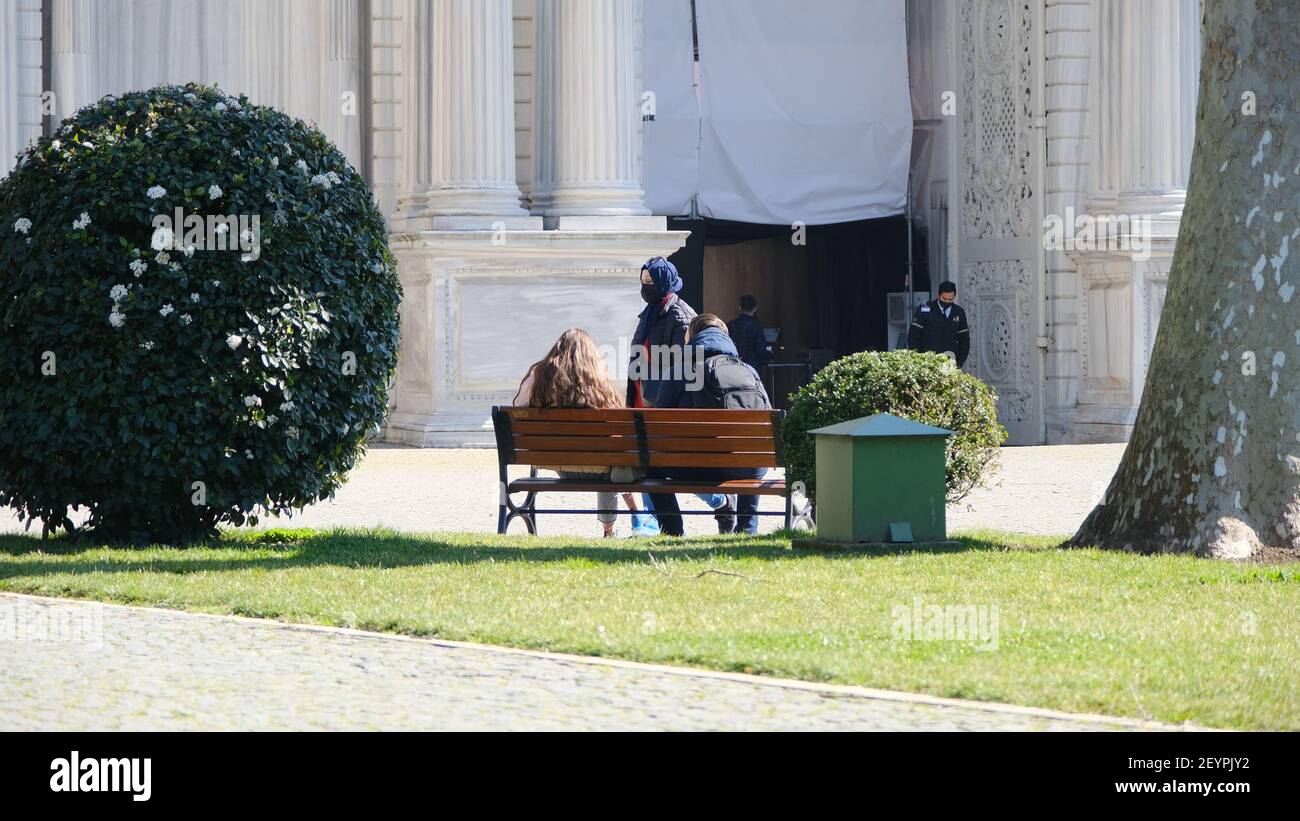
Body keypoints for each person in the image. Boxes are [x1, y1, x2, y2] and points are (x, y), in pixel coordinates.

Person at [647, 314, 773, 537]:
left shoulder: (679, 372)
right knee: (753, 456)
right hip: (747, 466)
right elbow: (768, 421)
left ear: (693, 338)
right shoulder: (749, 371)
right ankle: (746, 529)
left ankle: (673, 531)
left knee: (649, 466)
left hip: (693, 466)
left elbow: (659, 424)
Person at [514, 329, 644, 538]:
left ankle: (622, 523)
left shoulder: (539, 375)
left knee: (609, 458)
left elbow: (518, 409)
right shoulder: (599, 383)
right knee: (613, 457)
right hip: (599, 466)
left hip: (555, 462)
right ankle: (613, 528)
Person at [907, 280, 970, 367]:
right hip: (928, 362)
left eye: (950, 299)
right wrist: (919, 360)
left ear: (954, 297)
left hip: (950, 362)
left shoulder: (959, 312)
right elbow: (913, 337)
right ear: (938, 295)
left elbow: (965, 340)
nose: (947, 302)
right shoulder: (925, 309)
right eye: (944, 299)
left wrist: (959, 363)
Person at [727, 294, 772, 375]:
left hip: (734, 365)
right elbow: (761, 350)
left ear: (740, 307)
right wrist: (769, 354)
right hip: (752, 367)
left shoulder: (730, 325)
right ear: (755, 309)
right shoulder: (756, 326)